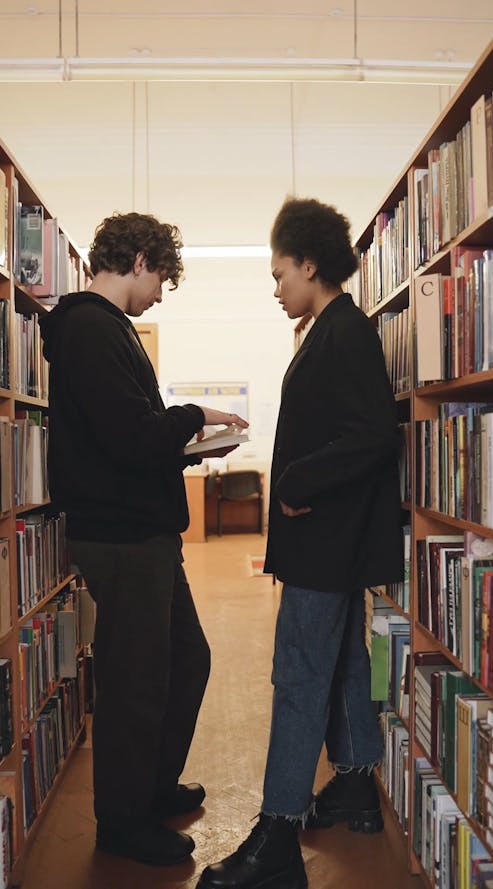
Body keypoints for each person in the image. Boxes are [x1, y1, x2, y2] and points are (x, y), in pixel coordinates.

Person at [197, 197, 404, 889]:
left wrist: (296, 479)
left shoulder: (343, 332)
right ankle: (353, 785)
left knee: (297, 676)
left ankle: (277, 834)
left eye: (281, 271)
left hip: (326, 541)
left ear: (311, 265)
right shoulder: (332, 326)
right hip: (333, 542)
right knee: (344, 662)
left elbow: (373, 434)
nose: (277, 284)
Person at [38, 211, 248, 868]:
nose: (160, 291)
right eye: (160, 277)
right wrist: (198, 416)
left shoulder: (105, 332)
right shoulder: (90, 331)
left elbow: (124, 443)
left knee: (185, 660)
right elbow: (134, 437)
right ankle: (124, 823)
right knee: (136, 680)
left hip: (143, 531)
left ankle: (151, 785)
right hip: (124, 538)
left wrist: (185, 447)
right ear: (136, 260)